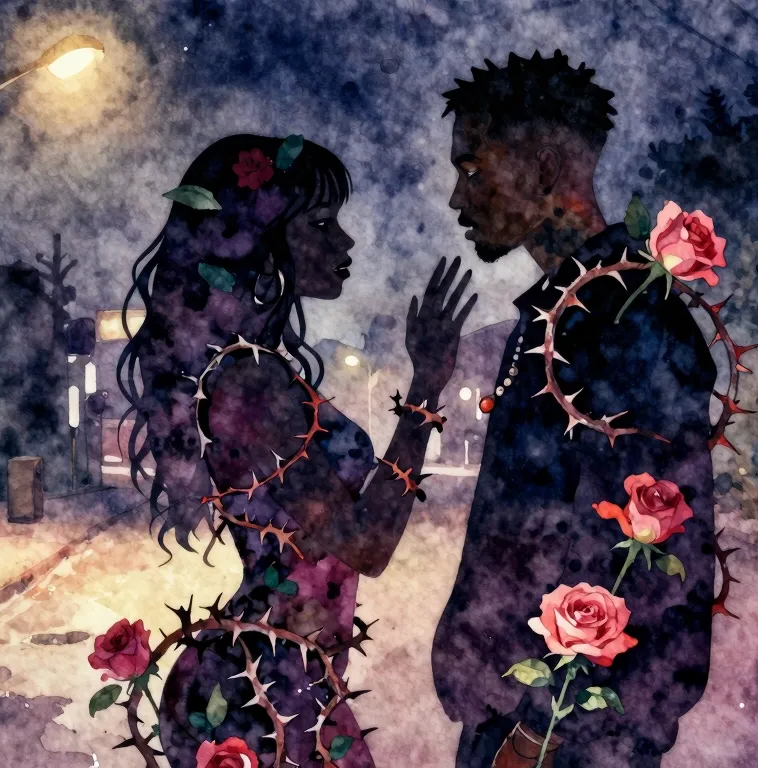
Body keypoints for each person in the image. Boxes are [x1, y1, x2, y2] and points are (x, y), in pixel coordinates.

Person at [117, 134, 475, 768]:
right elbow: (366, 546)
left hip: (281, 675)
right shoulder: (249, 383)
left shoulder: (251, 369)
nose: (346, 243)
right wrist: (425, 389)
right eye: (321, 224)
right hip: (261, 689)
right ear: (258, 239)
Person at [429, 52, 719, 767]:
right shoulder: (565, 313)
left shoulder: (627, 321)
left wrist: (537, 732)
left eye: (474, 169)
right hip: (523, 721)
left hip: (568, 737)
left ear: (546, 168)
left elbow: (640, 559)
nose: (458, 198)